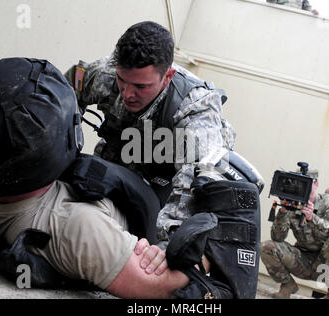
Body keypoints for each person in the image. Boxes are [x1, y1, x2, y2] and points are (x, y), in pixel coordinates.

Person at [0, 57, 202, 299]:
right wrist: (211, 253)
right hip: (140, 211)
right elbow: (171, 287)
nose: (127, 93)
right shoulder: (78, 227)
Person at [64, 21, 262, 249]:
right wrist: (65, 153)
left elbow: (193, 181)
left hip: (167, 186)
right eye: (122, 80)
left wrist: (167, 246)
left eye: (140, 86)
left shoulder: (196, 106)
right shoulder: (106, 75)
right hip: (116, 168)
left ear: (167, 77)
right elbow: (62, 94)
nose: (127, 94)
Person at [261, 169, 329, 299]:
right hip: (303, 261)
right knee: (266, 247)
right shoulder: (293, 205)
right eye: (298, 183)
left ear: (316, 184)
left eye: (306, 184)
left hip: (325, 266)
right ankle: (287, 285)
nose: (301, 188)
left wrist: (312, 218)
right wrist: (282, 212)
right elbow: (277, 238)